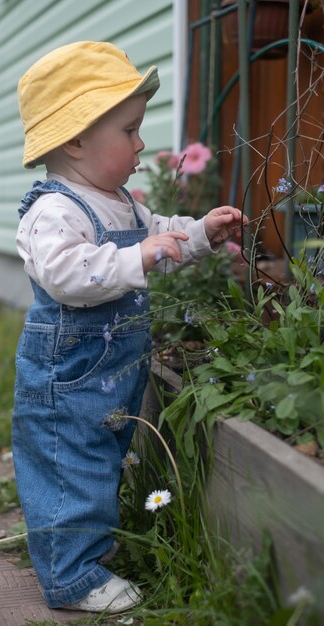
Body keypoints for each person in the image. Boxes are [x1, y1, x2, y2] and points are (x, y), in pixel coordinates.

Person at [12, 40, 245, 614]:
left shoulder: (117, 200)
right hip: (66, 374)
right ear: (75, 139)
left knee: (103, 459)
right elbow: (67, 274)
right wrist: (139, 257)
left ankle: (86, 554)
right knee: (73, 465)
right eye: (130, 130)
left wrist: (194, 234)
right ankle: (71, 579)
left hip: (109, 370)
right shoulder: (55, 211)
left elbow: (158, 229)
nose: (142, 143)